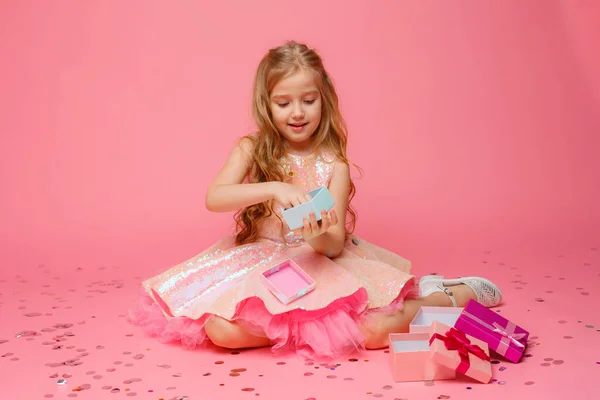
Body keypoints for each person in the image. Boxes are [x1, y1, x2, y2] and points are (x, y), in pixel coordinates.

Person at [128, 41, 502, 361]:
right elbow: (215, 197)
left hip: (318, 264)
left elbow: (334, 244)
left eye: (308, 100)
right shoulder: (252, 148)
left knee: (373, 334)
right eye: (284, 102)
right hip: (263, 264)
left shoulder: (332, 163)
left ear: (323, 99)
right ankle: (304, 328)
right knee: (223, 333)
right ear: (266, 104)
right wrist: (273, 188)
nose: (297, 113)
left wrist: (317, 234)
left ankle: (448, 294)